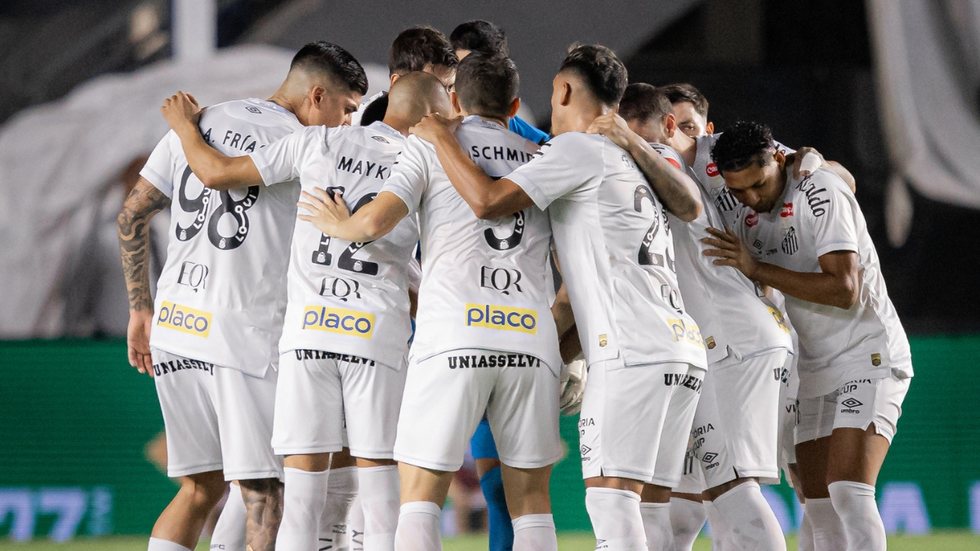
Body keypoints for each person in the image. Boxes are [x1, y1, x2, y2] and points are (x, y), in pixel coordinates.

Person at [409, 43, 707, 551]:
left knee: (612, 503)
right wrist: (555, 352)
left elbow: (487, 201)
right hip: (680, 347)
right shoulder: (645, 155)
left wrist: (440, 137)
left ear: (565, 90)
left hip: (630, 351)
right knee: (651, 509)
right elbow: (690, 205)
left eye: (552, 93)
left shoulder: (575, 151)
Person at [160, 72, 451, 551]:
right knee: (380, 498)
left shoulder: (315, 141)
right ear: (432, 116)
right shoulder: (428, 161)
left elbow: (216, 172)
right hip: (374, 338)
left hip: (306, 339)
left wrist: (186, 127)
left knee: (299, 501)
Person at [298, 52, 563, 551]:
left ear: (455, 100)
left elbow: (376, 222)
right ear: (514, 107)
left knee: (420, 497)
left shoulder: (428, 146)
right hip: (530, 340)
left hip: (453, 336)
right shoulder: (545, 157)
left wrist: (338, 224)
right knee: (531, 502)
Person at [118, 41, 367, 551]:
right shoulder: (306, 145)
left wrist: (140, 307)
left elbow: (132, 214)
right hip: (242, 337)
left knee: (199, 489)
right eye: (346, 109)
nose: (346, 124)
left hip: (175, 327)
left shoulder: (199, 122)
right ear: (317, 95)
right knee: (264, 492)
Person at [703, 121, 913, 551]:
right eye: (739, 190)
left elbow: (844, 288)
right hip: (813, 366)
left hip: (869, 355)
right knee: (818, 507)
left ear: (779, 159)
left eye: (759, 184)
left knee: (849, 492)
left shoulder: (818, 190)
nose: (751, 199)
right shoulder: (740, 208)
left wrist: (757, 269)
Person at [612, 83, 793, 550]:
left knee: (730, 488)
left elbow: (802, 163)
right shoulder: (666, 165)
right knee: (688, 501)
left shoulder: (654, 160)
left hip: (729, 340)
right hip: (727, 337)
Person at [356, 26, 457, 127]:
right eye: (432, 88)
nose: (447, 100)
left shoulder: (458, 127)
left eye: (449, 88)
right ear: (396, 82)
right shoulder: (358, 128)